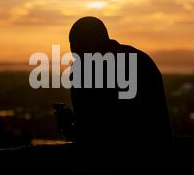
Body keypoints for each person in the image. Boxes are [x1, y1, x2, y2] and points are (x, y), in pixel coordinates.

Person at [56, 16, 172, 147]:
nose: (73, 52)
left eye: (75, 44)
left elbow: (89, 134)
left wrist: (66, 125)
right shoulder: (141, 60)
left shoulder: (87, 70)